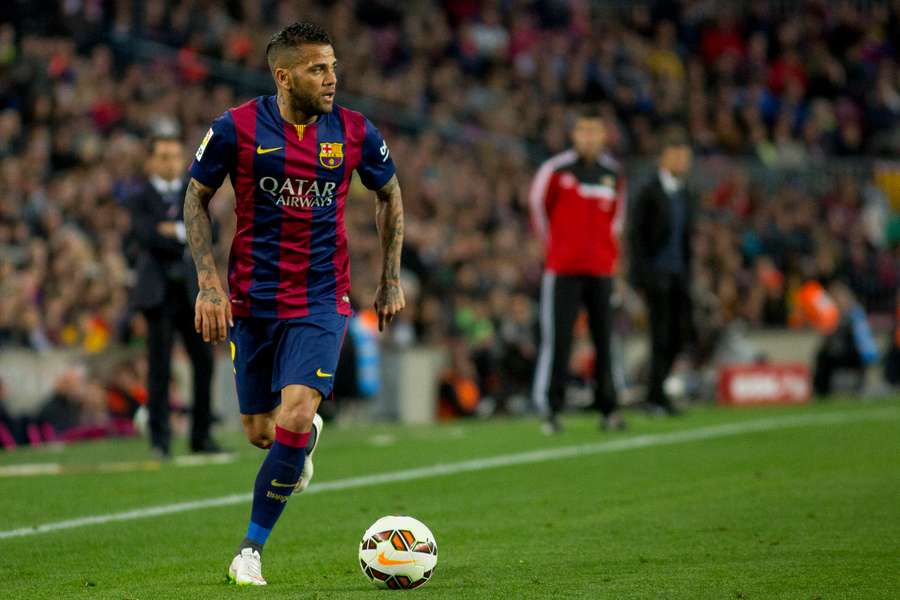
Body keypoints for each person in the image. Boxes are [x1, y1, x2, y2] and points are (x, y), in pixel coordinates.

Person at [183, 22, 405, 586]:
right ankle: (300, 436)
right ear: (283, 76)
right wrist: (209, 283)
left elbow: (389, 193)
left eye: (332, 66)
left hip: (320, 298)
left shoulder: (353, 131)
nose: (332, 79)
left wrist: (390, 277)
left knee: (298, 410)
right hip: (252, 302)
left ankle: (250, 551)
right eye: (317, 69)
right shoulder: (235, 129)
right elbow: (196, 197)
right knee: (263, 434)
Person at [530, 105, 627, 434]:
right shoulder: (556, 170)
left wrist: (607, 257)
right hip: (563, 270)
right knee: (558, 339)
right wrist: (558, 249)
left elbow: (616, 221)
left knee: (605, 340)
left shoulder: (613, 174)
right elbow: (538, 210)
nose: (588, 137)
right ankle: (551, 409)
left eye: (594, 131)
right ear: (574, 135)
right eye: (583, 131)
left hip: (601, 271)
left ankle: (609, 408)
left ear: (603, 135)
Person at [128, 132, 216, 457]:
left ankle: (202, 435)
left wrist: (173, 230)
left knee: (204, 362)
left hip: (193, 292)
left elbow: (214, 231)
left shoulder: (193, 191)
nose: (170, 162)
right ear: (151, 160)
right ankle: (160, 440)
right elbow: (146, 236)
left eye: (174, 156)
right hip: (158, 294)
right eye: (163, 156)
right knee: (159, 368)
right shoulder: (140, 196)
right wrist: (187, 232)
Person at [627, 127, 695, 415]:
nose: (683, 162)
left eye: (685, 157)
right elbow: (637, 236)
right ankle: (656, 395)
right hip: (656, 274)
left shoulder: (684, 193)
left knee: (680, 333)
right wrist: (640, 276)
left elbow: (685, 238)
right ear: (664, 158)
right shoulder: (649, 190)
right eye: (677, 156)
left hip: (678, 274)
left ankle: (658, 389)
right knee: (660, 335)